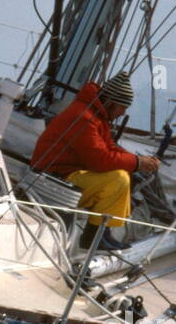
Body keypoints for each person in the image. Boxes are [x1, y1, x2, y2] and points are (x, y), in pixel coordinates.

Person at [31, 71, 159, 251]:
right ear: (110, 102)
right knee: (118, 179)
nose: (123, 113)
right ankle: (94, 238)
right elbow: (99, 160)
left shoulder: (94, 116)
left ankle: (101, 234)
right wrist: (137, 163)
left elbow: (108, 148)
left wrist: (137, 160)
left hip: (63, 173)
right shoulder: (85, 118)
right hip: (54, 178)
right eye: (122, 107)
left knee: (120, 174)